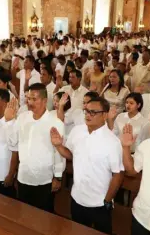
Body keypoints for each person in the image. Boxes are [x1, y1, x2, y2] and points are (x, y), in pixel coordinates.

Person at [51, 97, 123, 234]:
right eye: (86, 111)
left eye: (93, 112)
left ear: (105, 115)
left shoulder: (112, 142)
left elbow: (118, 174)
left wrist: (107, 200)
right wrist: (58, 146)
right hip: (77, 198)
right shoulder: (78, 131)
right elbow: (72, 155)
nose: (88, 115)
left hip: (99, 203)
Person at [5, 83, 66, 212]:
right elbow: (12, 141)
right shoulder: (22, 117)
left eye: (34, 99)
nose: (30, 102)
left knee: (44, 217)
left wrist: (58, 176)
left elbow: (59, 152)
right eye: (28, 98)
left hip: (44, 179)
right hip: (24, 176)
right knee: (24, 213)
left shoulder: (55, 122)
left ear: (44, 101)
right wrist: (9, 121)